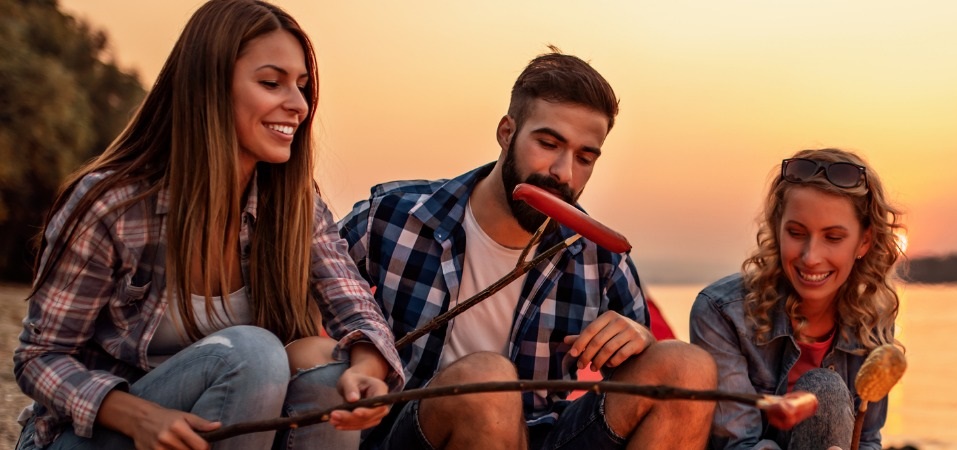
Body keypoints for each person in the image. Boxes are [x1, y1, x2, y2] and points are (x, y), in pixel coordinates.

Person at [12, 1, 404, 449]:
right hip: (100, 436)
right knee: (253, 353)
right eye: (271, 83)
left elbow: (354, 304)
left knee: (329, 371)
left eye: (302, 86)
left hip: (222, 433)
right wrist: (138, 415)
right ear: (209, 88)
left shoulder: (296, 207)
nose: (298, 105)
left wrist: (368, 367)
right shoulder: (113, 205)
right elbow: (40, 358)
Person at [340, 49, 716, 450]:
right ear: (506, 132)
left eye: (585, 157)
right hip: (411, 433)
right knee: (486, 380)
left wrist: (639, 336)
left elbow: (640, 372)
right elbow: (304, 296)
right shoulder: (395, 215)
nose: (564, 173)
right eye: (549, 144)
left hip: (544, 436)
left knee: (687, 367)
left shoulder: (598, 255)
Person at [690, 148, 905, 450]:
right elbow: (737, 445)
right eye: (796, 232)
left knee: (824, 392)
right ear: (778, 229)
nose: (810, 257)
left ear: (864, 242)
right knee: (824, 389)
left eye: (833, 238)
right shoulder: (722, 312)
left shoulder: (872, 320)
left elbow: (867, 438)